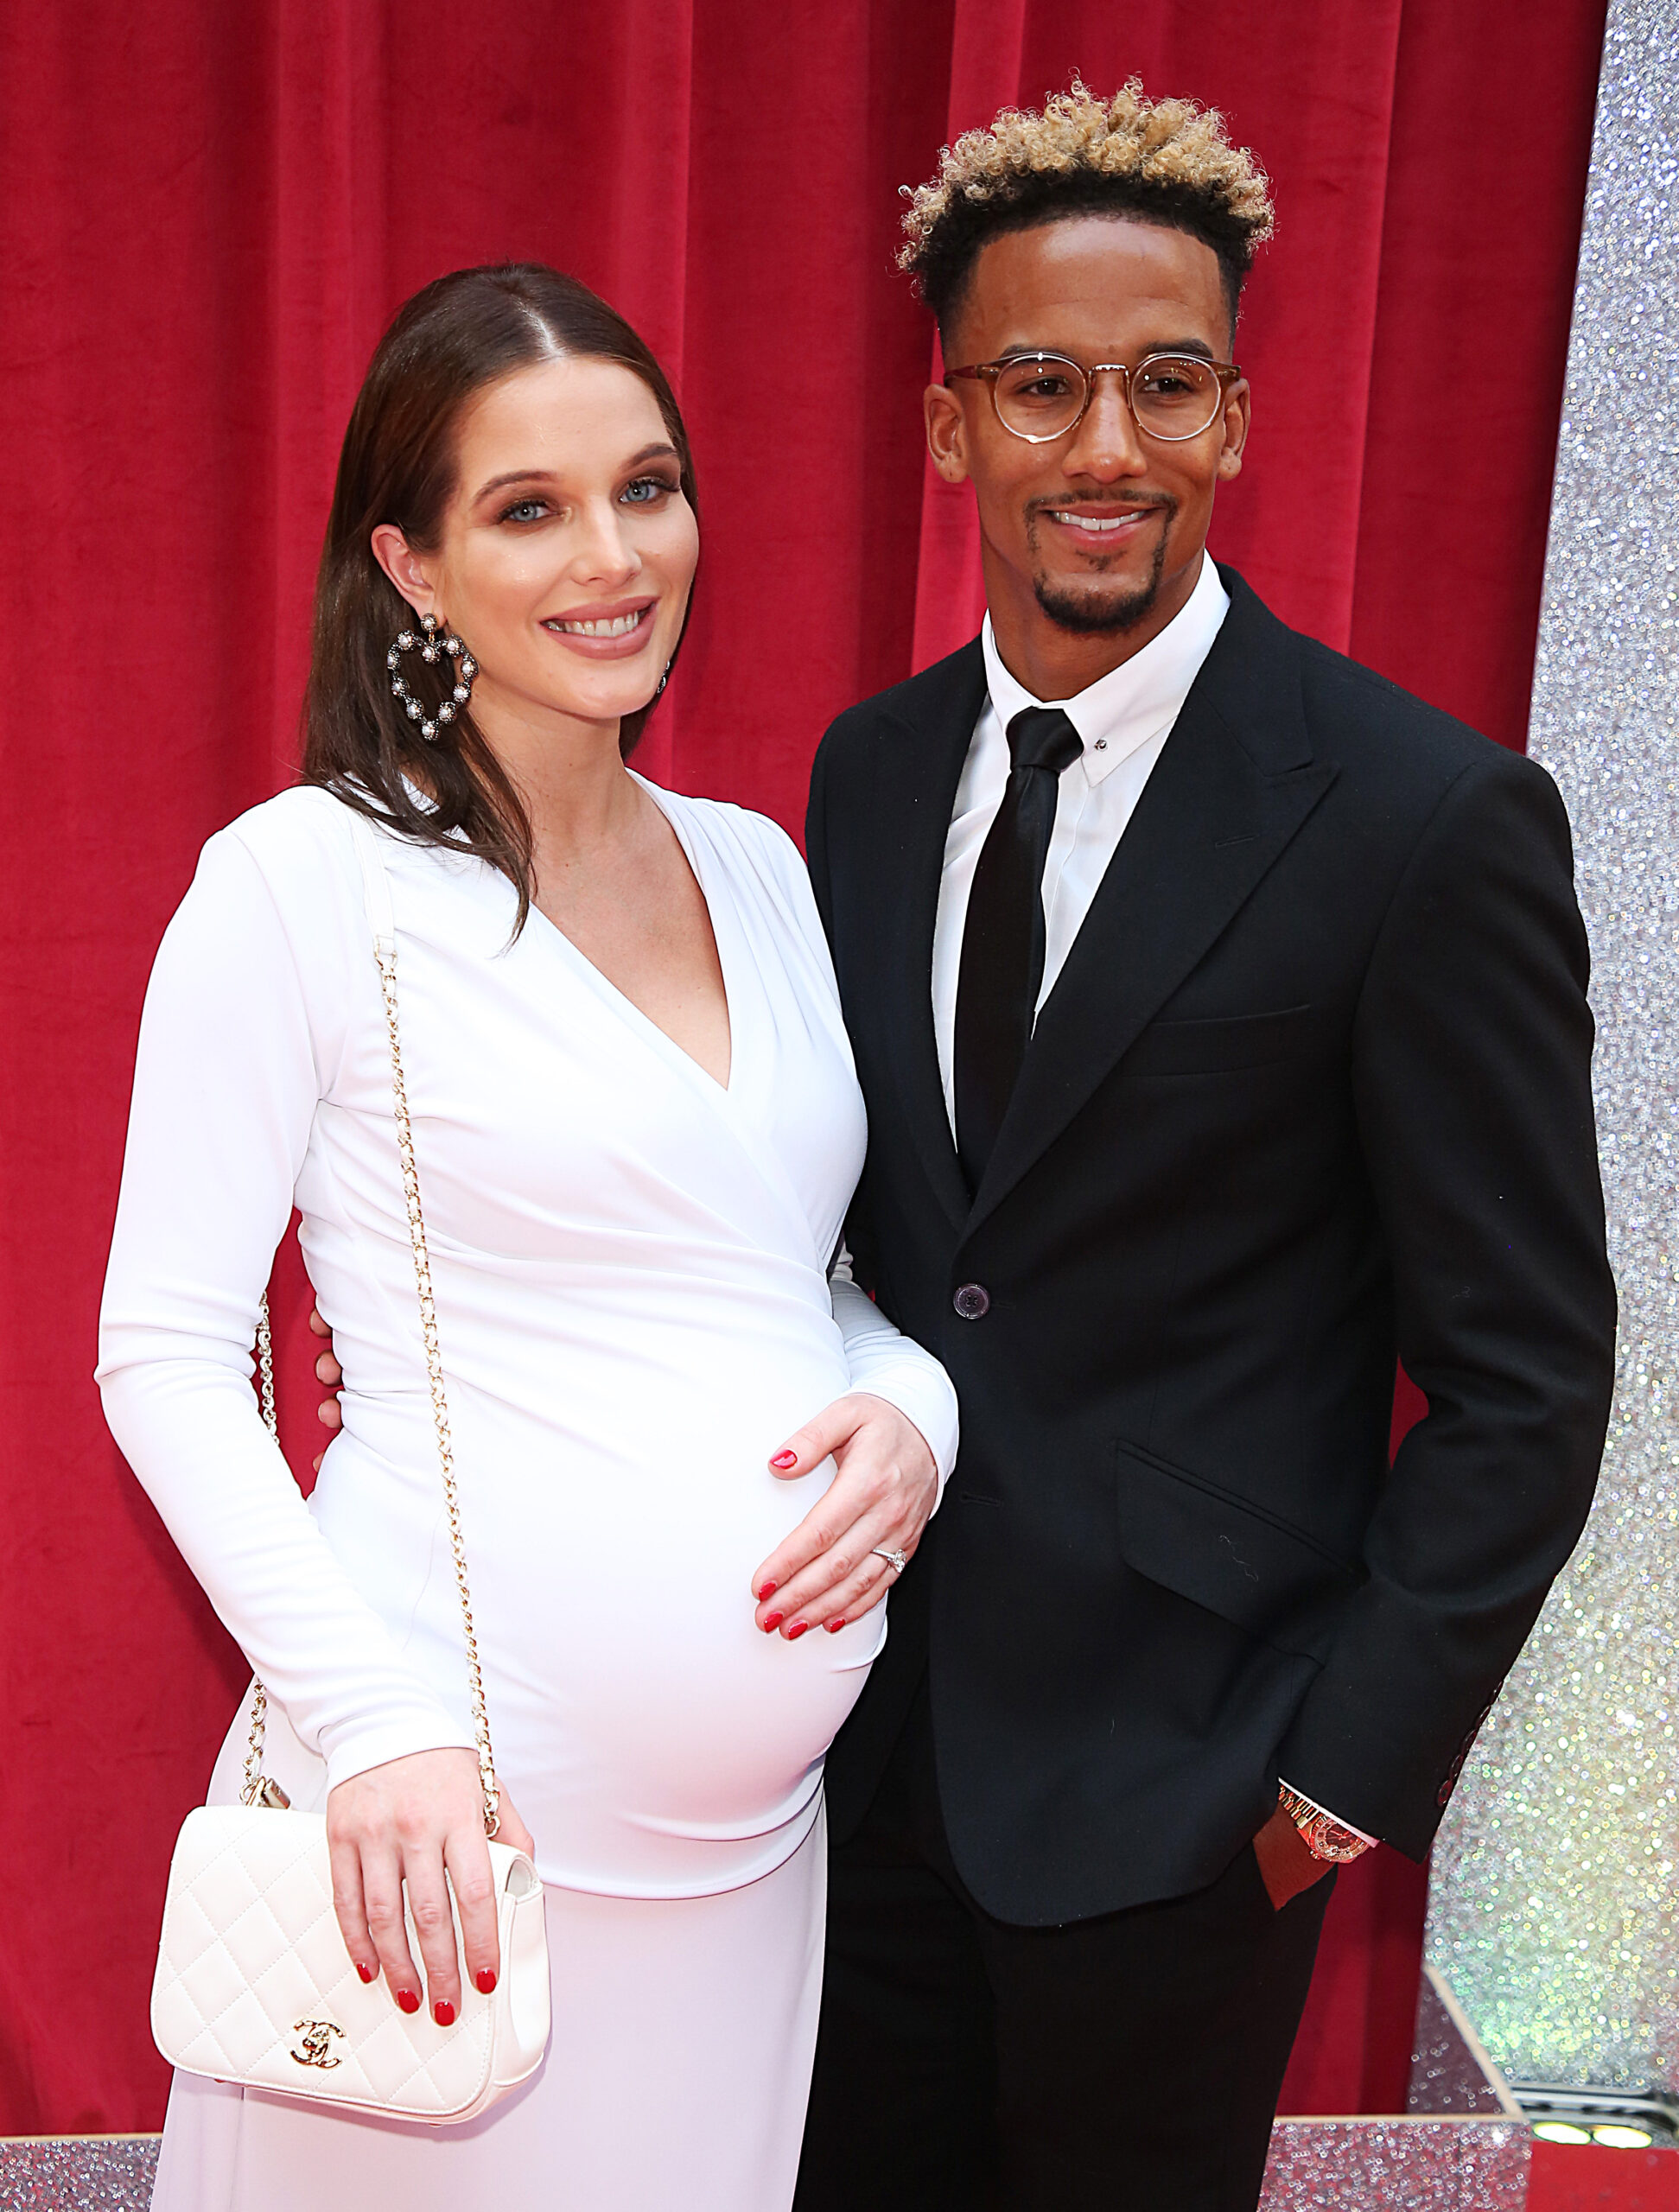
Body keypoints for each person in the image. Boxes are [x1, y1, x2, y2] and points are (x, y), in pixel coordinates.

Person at [791, 82, 1617, 2212]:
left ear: (1235, 419)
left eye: (1165, 383)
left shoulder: (1425, 818)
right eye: (1041, 385)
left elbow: (1528, 1373)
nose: (1107, 446)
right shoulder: (864, 777)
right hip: (848, 1769)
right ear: (951, 423)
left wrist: (1336, 1774)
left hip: (1188, 1799)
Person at [97, 262, 957, 2212]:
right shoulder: (301, 880)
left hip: (753, 1867)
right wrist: (373, 1723)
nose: (613, 556)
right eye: (529, 507)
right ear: (408, 566)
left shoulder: (759, 865)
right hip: (439, 1839)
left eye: (647, 487)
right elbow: (163, 1351)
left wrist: (920, 1415)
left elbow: (808, 1278)